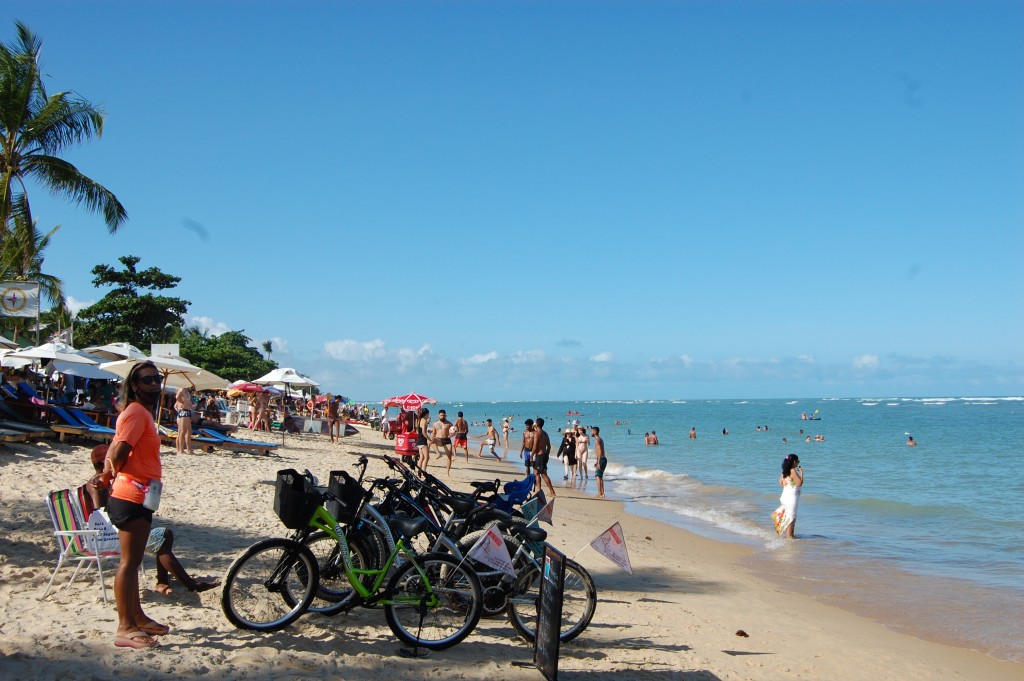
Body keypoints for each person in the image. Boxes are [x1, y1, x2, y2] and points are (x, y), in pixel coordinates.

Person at [89, 361, 166, 649]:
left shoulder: (138, 413)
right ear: (134, 385)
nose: (155, 385)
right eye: (147, 380)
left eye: (157, 379)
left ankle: (137, 616)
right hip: (131, 495)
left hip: (139, 493)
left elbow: (116, 445)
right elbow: (120, 449)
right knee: (128, 563)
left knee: (133, 563)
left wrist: (109, 472)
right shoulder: (136, 412)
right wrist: (110, 473)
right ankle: (125, 627)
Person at [85, 445, 218, 597]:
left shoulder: (112, 479)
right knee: (159, 542)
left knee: (165, 534)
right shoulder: (95, 484)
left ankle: (162, 581)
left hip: (119, 528)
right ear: (103, 463)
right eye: (111, 459)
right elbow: (99, 514)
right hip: (111, 535)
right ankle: (191, 585)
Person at [774, 454, 804, 539]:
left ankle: (788, 535)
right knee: (791, 517)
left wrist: (788, 486)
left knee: (788, 515)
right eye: (798, 461)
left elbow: (780, 482)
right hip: (792, 498)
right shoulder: (793, 470)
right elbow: (799, 483)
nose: (798, 463)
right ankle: (790, 537)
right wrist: (802, 472)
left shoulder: (784, 471)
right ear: (794, 462)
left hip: (785, 496)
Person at [531, 417, 555, 497]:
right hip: (544, 455)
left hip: (540, 456)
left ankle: (551, 492)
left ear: (537, 424)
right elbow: (549, 446)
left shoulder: (537, 434)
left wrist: (531, 456)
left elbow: (534, 447)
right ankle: (539, 490)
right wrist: (547, 455)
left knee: (542, 474)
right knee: (537, 472)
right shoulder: (545, 433)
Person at [431, 409, 454, 474]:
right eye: (441, 415)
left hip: (447, 440)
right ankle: (438, 453)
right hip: (439, 439)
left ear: (445, 415)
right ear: (439, 415)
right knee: (431, 439)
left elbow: (453, 432)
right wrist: (433, 437)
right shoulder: (435, 424)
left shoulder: (449, 424)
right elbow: (433, 433)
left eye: (443, 415)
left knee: (449, 457)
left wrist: (452, 434)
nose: (442, 417)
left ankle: (447, 472)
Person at [174, 385, 194, 455]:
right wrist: (183, 403)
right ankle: (180, 450)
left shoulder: (185, 390)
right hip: (184, 411)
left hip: (186, 411)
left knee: (188, 431)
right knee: (182, 431)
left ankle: (188, 449)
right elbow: (177, 397)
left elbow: (177, 401)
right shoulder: (182, 388)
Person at [592, 426, 607, 498]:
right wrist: (597, 461)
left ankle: (599, 493)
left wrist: (598, 462)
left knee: (597, 477)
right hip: (602, 459)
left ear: (595, 432)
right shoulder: (599, 439)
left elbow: (601, 451)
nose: (591, 433)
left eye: (592, 431)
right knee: (600, 477)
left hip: (601, 460)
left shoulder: (597, 440)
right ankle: (602, 493)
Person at [415, 407, 431, 472]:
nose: (429, 415)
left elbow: (417, 430)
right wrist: (429, 439)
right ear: (426, 414)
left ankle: (419, 470)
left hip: (418, 439)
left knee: (421, 457)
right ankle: (424, 471)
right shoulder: (424, 421)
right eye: (428, 414)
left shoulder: (418, 419)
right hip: (422, 440)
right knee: (427, 457)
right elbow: (424, 432)